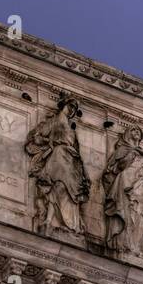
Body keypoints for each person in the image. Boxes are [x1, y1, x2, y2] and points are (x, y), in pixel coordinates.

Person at [25, 92, 90, 237]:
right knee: (58, 186)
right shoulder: (54, 121)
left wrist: (84, 172)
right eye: (70, 106)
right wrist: (49, 143)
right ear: (64, 105)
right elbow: (36, 136)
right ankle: (51, 219)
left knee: (70, 192)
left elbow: (77, 151)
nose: (72, 109)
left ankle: (70, 224)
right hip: (58, 156)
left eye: (74, 108)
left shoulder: (71, 129)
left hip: (72, 161)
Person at [101, 125, 143, 258]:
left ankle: (136, 246)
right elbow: (115, 168)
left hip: (140, 185)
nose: (137, 133)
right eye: (133, 130)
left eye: (139, 131)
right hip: (125, 183)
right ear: (128, 134)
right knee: (127, 212)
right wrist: (131, 155)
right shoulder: (123, 150)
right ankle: (124, 244)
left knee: (140, 215)